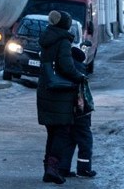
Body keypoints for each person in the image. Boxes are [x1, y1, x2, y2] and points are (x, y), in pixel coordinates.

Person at [37, 10, 87, 185]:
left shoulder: (47, 39)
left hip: (46, 89)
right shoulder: (63, 41)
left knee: (52, 132)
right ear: (65, 24)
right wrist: (79, 76)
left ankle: (48, 169)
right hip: (60, 92)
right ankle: (53, 168)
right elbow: (66, 66)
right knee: (62, 132)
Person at [58, 46, 97, 179]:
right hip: (80, 112)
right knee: (85, 141)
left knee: (69, 140)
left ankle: (63, 168)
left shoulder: (66, 67)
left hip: (68, 111)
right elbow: (82, 94)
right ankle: (84, 169)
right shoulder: (79, 69)